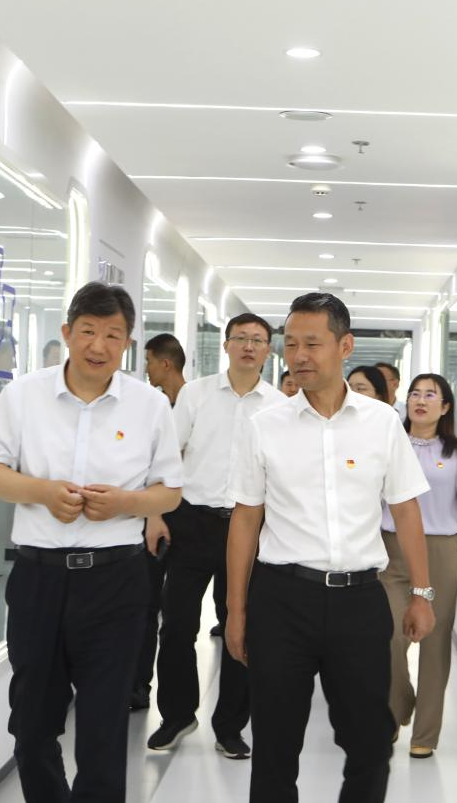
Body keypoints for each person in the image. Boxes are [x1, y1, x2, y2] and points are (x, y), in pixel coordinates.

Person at [0, 282, 184, 803]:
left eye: (113, 335)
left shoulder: (149, 405)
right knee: (32, 722)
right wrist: (43, 492)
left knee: (103, 725)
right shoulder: (23, 396)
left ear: (127, 343)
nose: (99, 345)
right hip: (39, 578)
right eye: (88, 331)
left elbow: (171, 491)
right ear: (68, 332)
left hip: (116, 582)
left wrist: (125, 504)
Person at [227, 292, 436, 803]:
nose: (298, 356)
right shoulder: (264, 426)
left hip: (359, 601)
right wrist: (236, 610)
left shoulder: (381, 423)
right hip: (281, 598)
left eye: (312, 343)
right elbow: (246, 519)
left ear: (345, 346)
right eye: (291, 344)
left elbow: (407, 510)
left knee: (370, 741)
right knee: (275, 744)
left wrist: (422, 593)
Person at [145, 313, 285, 759]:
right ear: (226, 345)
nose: (249, 346)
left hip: (247, 526)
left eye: (258, 340)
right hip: (192, 521)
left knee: (240, 629)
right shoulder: (196, 394)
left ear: (268, 351)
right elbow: (166, 456)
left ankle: (230, 726)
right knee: (177, 624)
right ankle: (176, 715)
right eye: (240, 338)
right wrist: (155, 514)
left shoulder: (279, 406)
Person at [382, 373, 457, 759]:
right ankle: (396, 707)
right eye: (414, 394)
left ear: (445, 407)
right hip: (391, 549)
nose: (420, 401)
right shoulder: (390, 444)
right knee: (388, 636)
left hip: (440, 548)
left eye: (430, 395)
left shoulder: (456, 453)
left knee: (435, 644)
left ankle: (425, 733)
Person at [132, 332, 190, 711]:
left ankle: (176, 703)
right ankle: (138, 684)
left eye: (150, 362)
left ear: (165, 363)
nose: (147, 369)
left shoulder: (194, 404)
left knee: (178, 614)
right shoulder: (148, 407)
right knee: (146, 601)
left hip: (188, 516)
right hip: (154, 515)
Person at [145, 332, 187, 405]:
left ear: (166, 365)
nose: (146, 370)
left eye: (149, 362)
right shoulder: (154, 405)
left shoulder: (196, 403)